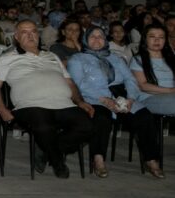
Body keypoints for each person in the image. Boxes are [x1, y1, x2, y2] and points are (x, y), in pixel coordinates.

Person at [0, 20, 94, 179]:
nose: (30, 35)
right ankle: (58, 162)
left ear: (38, 35)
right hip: (30, 105)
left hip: (64, 104)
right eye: (25, 32)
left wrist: (80, 102)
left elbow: (69, 82)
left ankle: (47, 149)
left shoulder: (51, 55)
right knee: (44, 126)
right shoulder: (8, 57)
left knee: (88, 126)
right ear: (17, 36)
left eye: (33, 31)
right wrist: (2, 109)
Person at [67, 26, 138, 178]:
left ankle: (152, 160)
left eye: (101, 36)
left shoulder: (115, 58)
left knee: (143, 116)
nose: (97, 39)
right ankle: (98, 158)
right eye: (93, 36)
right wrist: (103, 99)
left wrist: (131, 98)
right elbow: (78, 84)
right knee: (101, 118)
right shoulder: (78, 59)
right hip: (93, 98)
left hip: (121, 98)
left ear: (106, 40)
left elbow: (130, 79)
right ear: (85, 39)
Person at [130, 23, 175, 179]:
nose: (157, 41)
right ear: (145, 39)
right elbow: (143, 86)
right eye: (152, 37)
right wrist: (171, 91)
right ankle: (151, 160)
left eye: (161, 37)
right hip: (150, 99)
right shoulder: (138, 59)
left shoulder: (171, 58)